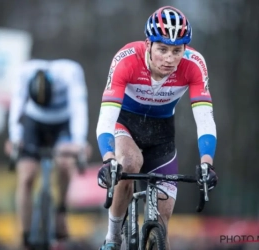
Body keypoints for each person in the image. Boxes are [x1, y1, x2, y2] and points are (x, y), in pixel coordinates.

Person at [96, 5, 218, 250]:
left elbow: (204, 118)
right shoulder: (126, 59)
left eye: (177, 50)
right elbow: (106, 118)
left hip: (162, 135)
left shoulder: (194, 64)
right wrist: (109, 159)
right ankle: (112, 238)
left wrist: (207, 163)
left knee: (162, 225)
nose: (170, 58)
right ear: (148, 44)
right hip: (126, 125)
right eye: (162, 49)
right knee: (129, 163)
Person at [7, 59, 89, 249]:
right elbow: (17, 104)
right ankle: (25, 234)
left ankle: (61, 210)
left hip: (63, 122)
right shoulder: (24, 72)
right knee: (26, 175)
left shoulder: (70, 73)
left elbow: (79, 108)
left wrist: (79, 142)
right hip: (33, 122)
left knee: (65, 163)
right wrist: (15, 137)